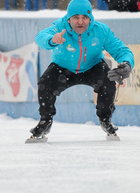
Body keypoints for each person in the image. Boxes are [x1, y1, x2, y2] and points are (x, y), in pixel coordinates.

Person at [27, 0, 134, 143]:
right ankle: (45, 121)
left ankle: (105, 119)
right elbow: (40, 37)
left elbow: (121, 50)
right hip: (62, 68)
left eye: (85, 18)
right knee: (45, 84)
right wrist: (52, 39)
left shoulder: (101, 30)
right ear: (68, 18)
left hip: (93, 66)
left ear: (90, 18)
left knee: (108, 80)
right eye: (76, 17)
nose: (80, 22)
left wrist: (127, 64)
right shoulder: (59, 27)